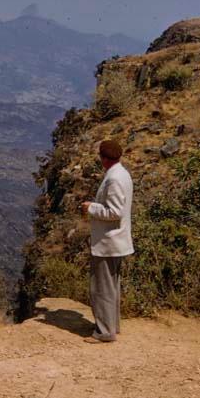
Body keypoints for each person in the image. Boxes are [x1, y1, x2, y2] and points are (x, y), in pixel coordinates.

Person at [81, 139, 134, 343]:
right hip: (117, 240)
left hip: (108, 241)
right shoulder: (123, 174)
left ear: (104, 158)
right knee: (111, 286)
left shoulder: (114, 179)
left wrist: (91, 208)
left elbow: (115, 212)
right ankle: (112, 325)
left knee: (101, 288)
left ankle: (104, 331)